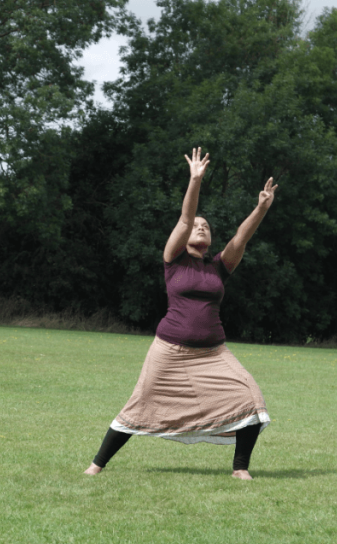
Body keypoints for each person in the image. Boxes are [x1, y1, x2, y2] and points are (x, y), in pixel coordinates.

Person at [84, 147, 276, 480]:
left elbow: (241, 237)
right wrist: (195, 180)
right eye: (196, 226)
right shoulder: (173, 260)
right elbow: (186, 218)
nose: (201, 228)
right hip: (169, 351)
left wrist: (260, 208)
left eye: (207, 226)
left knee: (250, 397)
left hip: (214, 353)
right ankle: (96, 465)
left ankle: (240, 469)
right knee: (140, 403)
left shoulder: (219, 267)